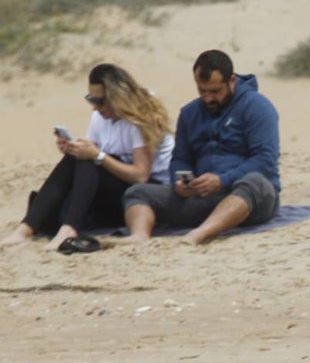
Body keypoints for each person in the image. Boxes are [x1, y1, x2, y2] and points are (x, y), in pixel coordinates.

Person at [1, 64, 173, 251]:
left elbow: (141, 176)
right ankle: (26, 229)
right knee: (78, 159)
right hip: (117, 186)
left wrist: (97, 155)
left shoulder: (139, 117)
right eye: (91, 99)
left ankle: (68, 228)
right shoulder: (100, 117)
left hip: (145, 193)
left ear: (118, 98)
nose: (96, 107)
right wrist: (72, 149)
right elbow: (88, 167)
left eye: (101, 101)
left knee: (89, 159)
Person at [122, 50, 280, 245]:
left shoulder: (257, 107)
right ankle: (139, 236)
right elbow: (181, 158)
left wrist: (221, 181)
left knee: (256, 182)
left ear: (231, 81)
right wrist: (182, 181)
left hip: (245, 198)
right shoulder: (189, 113)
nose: (208, 98)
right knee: (137, 192)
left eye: (215, 91)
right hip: (201, 198)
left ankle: (200, 234)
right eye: (202, 90)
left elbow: (265, 160)